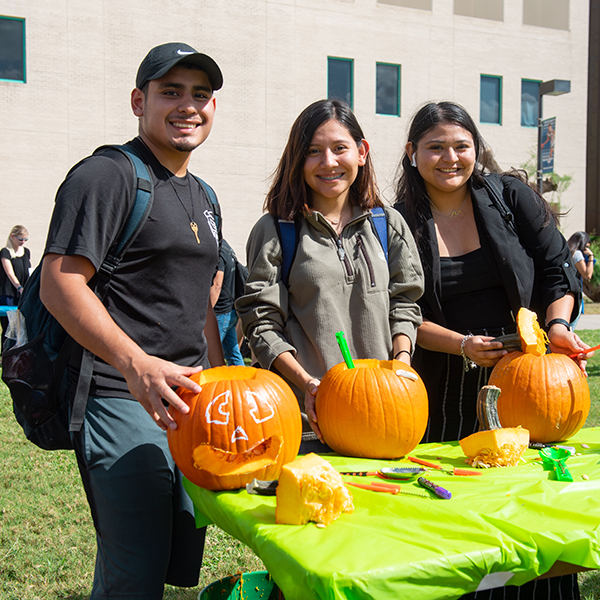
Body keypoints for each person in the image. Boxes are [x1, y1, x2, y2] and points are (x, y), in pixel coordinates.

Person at [39, 42, 225, 599]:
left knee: (169, 561)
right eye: (171, 92)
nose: (188, 106)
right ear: (138, 101)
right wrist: (136, 365)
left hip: (191, 401)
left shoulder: (206, 194)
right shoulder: (107, 175)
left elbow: (203, 302)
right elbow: (60, 282)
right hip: (121, 394)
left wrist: (221, 382)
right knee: (135, 572)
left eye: (201, 94)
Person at [394, 100, 585, 600]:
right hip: (446, 391)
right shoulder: (398, 223)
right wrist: (461, 345)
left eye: (461, 146)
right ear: (412, 153)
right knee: (462, 520)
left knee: (533, 514)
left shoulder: (510, 197)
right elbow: (400, 312)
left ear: (477, 149)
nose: (450, 158)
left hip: (529, 385)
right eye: (435, 147)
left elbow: (556, 270)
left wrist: (558, 324)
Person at [236, 99, 424, 447]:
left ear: (361, 152)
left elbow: (405, 305)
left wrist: (402, 363)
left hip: (387, 414)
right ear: (298, 159)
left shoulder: (388, 224)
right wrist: (308, 384)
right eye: (313, 151)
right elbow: (260, 324)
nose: (328, 163)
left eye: (340, 148)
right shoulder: (277, 231)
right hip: (309, 421)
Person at [210, 239, 245, 365]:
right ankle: (242, 381)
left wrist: (206, 312)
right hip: (231, 310)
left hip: (221, 311)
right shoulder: (228, 248)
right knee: (232, 352)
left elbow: (217, 285)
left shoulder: (219, 251)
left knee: (210, 352)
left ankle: (211, 382)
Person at [0, 225, 31, 348]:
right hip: (9, 294)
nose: (23, 242)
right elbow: (9, 273)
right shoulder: (5, 252)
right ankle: (5, 352)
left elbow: (28, 270)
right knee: (8, 325)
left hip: (22, 293)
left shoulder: (26, 252)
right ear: (12, 236)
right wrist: (19, 287)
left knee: (20, 325)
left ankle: (18, 350)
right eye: (20, 239)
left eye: (25, 239)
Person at [568, 231, 595, 329]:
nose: (588, 245)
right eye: (588, 243)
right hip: (574, 291)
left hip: (564, 290)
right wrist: (591, 256)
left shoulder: (567, 251)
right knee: (571, 326)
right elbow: (587, 274)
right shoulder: (577, 254)